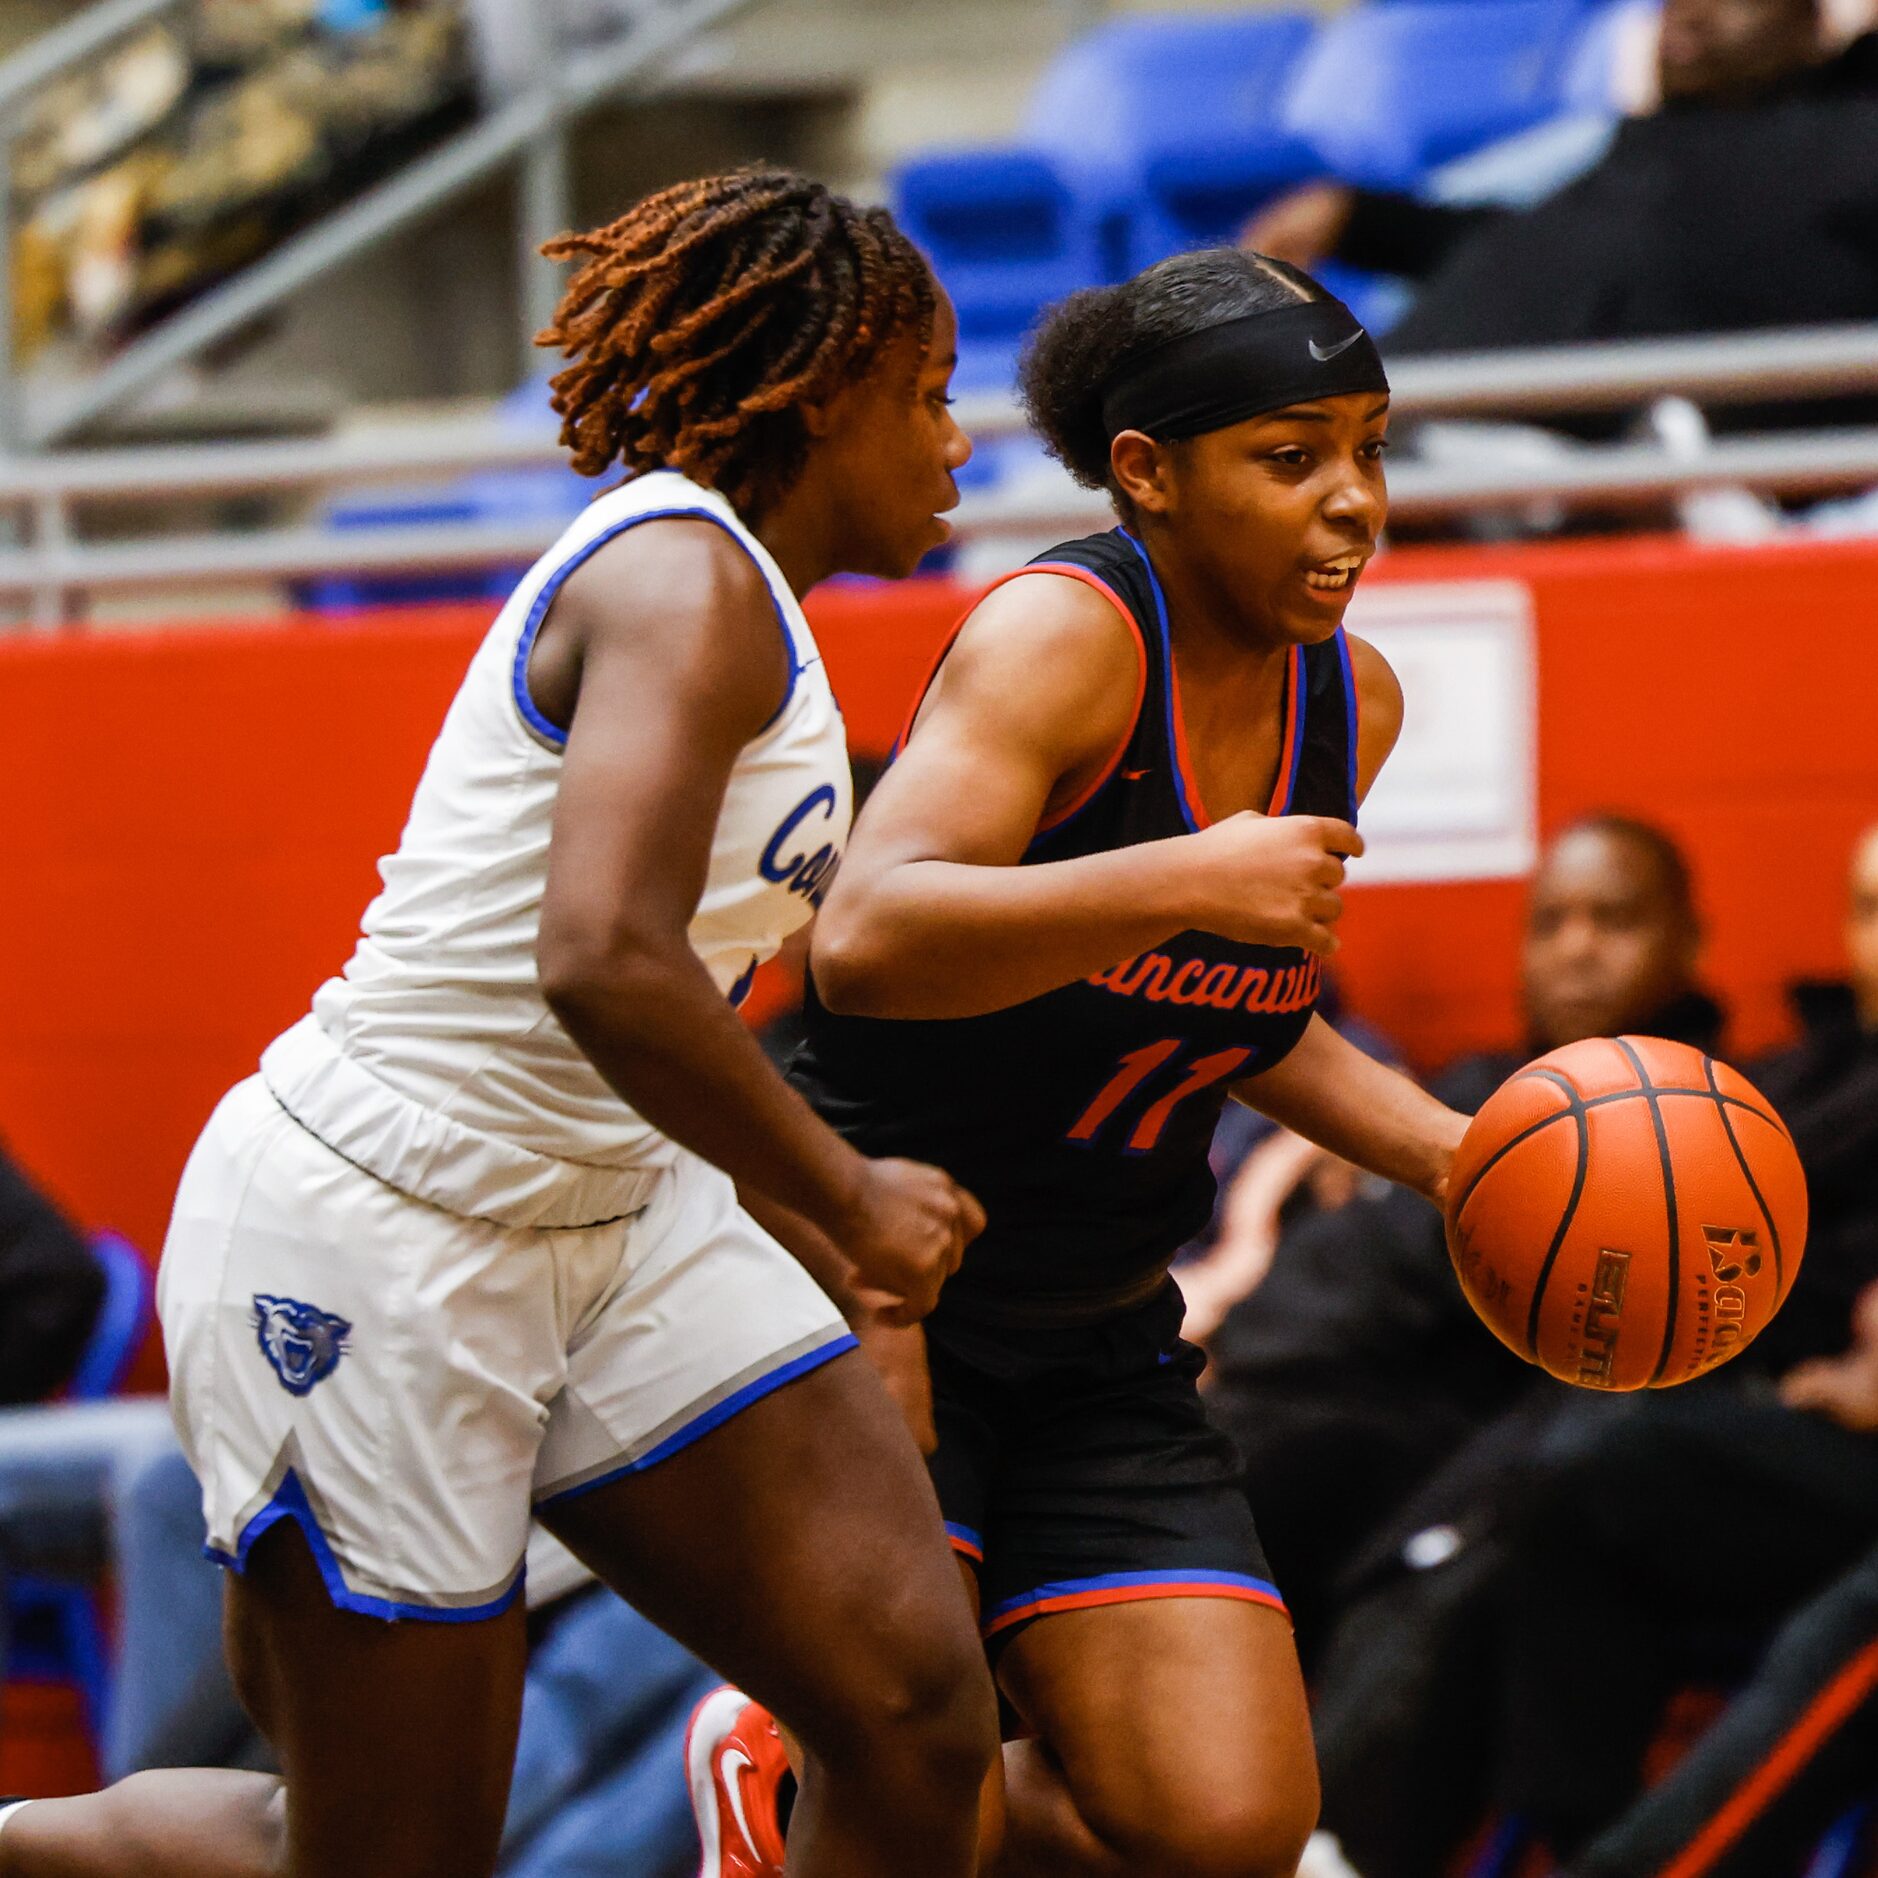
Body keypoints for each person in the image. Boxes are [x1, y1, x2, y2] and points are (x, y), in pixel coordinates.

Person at [0, 167, 1000, 1878]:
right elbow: (602, 957)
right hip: (376, 1222)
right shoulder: (685, 584)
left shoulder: (747, 599)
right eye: (925, 397)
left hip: (605, 1212)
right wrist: (843, 1200)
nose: (955, 442)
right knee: (372, 1848)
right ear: (823, 395)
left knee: (914, 1717)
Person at [697, 245, 1477, 1878]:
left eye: (1370, 449)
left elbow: (1231, 1010)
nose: (1353, 501)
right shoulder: (1062, 635)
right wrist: (1185, 871)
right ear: (1148, 473)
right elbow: (864, 938)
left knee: (1228, 1826)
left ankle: (798, 1786)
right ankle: (797, 1771)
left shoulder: (1354, 700)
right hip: (877, 1293)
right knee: (921, 1790)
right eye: (1291, 458)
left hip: (1101, 1332)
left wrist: (1462, 1158)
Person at [1306, 819, 1878, 1878]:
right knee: (1560, 1473)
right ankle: (1547, 1838)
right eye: (1868, 910)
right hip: (1762, 1416)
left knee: (1593, 1457)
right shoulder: (1811, 1079)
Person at [1200, 813, 1723, 1666]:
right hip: (1255, 1382)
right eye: (1550, 923)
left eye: (1614, 920)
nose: (1577, 949)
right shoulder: (1462, 1089)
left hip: (1419, 1430)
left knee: (1205, 1493)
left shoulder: (1698, 1127)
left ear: (1689, 939)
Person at [1245, 0, 1878, 434]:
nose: (1689, 12)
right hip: (1413, 426)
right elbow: (1544, 249)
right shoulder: (1655, 151)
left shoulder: (1836, 147)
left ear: (1818, 27)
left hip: (1563, 464)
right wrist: (1357, 220)